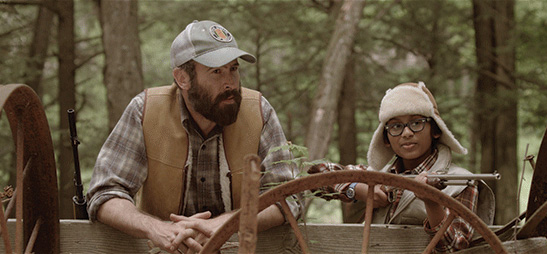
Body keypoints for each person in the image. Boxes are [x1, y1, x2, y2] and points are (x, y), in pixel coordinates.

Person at [86, 20, 301, 253]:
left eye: (233, 69)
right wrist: (157, 229)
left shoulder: (259, 111)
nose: (230, 83)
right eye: (216, 71)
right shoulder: (145, 110)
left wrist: (226, 225)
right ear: (182, 78)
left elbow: (288, 197)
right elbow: (105, 193)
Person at [309, 82, 495, 253]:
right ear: (386, 138)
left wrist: (432, 202)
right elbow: (316, 175)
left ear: (436, 130)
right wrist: (356, 189)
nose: (406, 133)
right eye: (396, 126)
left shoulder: (462, 182)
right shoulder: (375, 177)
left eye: (416, 123)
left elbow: (456, 246)